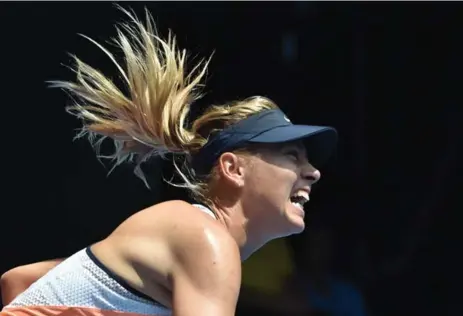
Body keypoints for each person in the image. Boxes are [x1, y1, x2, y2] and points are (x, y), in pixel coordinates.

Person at [0, 6, 337, 316]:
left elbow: (17, 281)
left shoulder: (187, 234)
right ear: (233, 169)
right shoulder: (206, 240)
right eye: (292, 156)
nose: (313, 172)